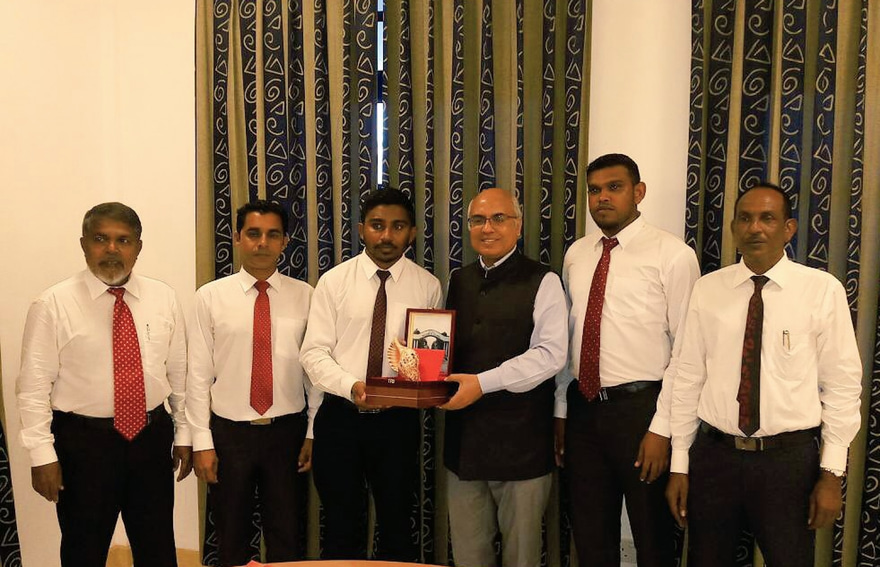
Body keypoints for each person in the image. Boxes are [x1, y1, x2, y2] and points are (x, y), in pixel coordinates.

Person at [666, 183, 862, 566]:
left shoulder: (821, 291)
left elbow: (841, 385)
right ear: (733, 228)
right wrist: (680, 464)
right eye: (745, 218)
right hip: (715, 458)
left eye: (767, 218)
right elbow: (688, 377)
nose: (755, 227)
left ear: (788, 228)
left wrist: (831, 473)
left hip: (787, 464)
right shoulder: (708, 290)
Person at [16, 202, 192, 567]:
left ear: (138, 247)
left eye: (123, 240)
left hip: (150, 437)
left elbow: (179, 375)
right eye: (101, 239)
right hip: (84, 445)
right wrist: (42, 455)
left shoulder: (163, 298)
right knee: (83, 549)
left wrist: (185, 434)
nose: (112, 249)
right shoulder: (53, 304)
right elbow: (33, 387)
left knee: (157, 546)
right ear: (83, 244)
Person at [554, 154, 700, 566]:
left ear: (639, 192)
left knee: (653, 539)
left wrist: (663, 430)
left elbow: (687, 353)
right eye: (594, 190)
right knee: (590, 538)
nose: (602, 197)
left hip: (642, 413)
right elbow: (570, 339)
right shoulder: (577, 254)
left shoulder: (673, 255)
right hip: (584, 412)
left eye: (614, 187)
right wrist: (562, 410)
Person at [299, 187, 442, 560]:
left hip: (397, 424)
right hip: (340, 418)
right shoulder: (334, 282)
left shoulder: (428, 286)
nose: (387, 235)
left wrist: (420, 382)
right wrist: (352, 387)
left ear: (412, 232)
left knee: (397, 524)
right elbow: (313, 353)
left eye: (398, 226)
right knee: (341, 526)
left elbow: (429, 360)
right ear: (362, 229)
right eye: (377, 226)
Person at [442, 187, 569, 567]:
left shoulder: (544, 280)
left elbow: (551, 355)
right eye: (478, 220)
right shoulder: (458, 280)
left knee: (522, 558)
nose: (488, 228)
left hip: (522, 446)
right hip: (464, 446)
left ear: (518, 225)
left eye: (499, 218)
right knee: (468, 556)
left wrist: (483, 384)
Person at [187, 200, 318, 566]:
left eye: (273, 235)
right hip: (230, 434)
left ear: (285, 241)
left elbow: (315, 373)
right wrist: (202, 442)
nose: (262, 243)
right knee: (230, 536)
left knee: (287, 535)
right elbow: (198, 374)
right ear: (237, 238)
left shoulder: (307, 296)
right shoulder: (210, 297)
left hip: (287, 433)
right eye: (253, 234)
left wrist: (312, 432)